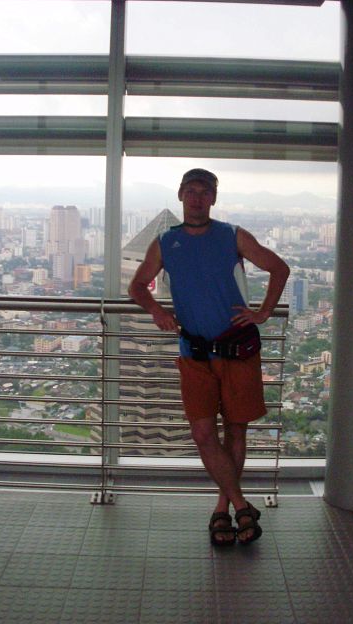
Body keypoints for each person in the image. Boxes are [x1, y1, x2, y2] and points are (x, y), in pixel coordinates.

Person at [128, 168, 290, 546]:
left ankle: (223, 507)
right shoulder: (166, 242)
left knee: (235, 430)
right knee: (203, 433)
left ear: (213, 198)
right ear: (180, 195)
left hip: (237, 349)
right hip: (195, 352)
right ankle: (242, 505)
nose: (197, 198)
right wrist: (156, 310)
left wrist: (264, 312)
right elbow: (137, 286)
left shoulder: (232, 236)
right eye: (191, 191)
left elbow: (279, 268)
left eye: (204, 192)